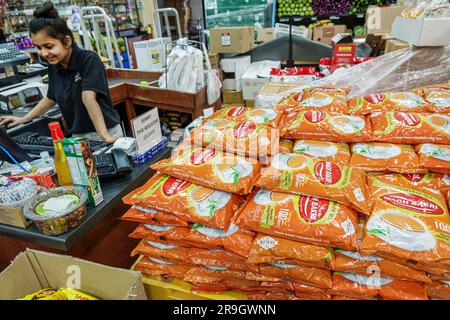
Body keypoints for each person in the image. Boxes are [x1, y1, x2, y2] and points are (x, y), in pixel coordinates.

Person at [0, 1, 122, 143]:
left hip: (106, 131)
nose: (44, 53)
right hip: (78, 137)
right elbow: (51, 97)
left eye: (48, 46)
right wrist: (25, 118)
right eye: (39, 48)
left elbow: (88, 97)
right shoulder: (54, 65)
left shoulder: (89, 60)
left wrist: (104, 135)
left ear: (67, 41)